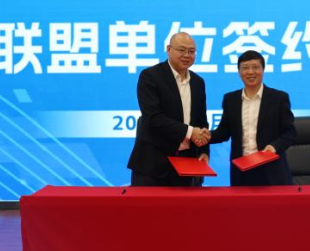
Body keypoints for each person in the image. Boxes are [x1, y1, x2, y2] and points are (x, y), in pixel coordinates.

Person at [127, 32, 210, 186]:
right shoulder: (150, 76)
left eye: (191, 51)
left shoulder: (198, 82)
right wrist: (191, 132)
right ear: (169, 49)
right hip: (152, 164)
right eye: (182, 50)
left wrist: (204, 151)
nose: (187, 55)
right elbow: (154, 118)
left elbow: (201, 121)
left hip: (186, 165)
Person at [207, 50, 296, 186]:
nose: (250, 72)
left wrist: (274, 147)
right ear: (239, 72)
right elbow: (223, 133)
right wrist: (203, 136)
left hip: (271, 169)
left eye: (255, 67)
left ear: (263, 70)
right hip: (241, 170)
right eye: (245, 68)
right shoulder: (231, 99)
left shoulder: (278, 98)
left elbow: (290, 133)